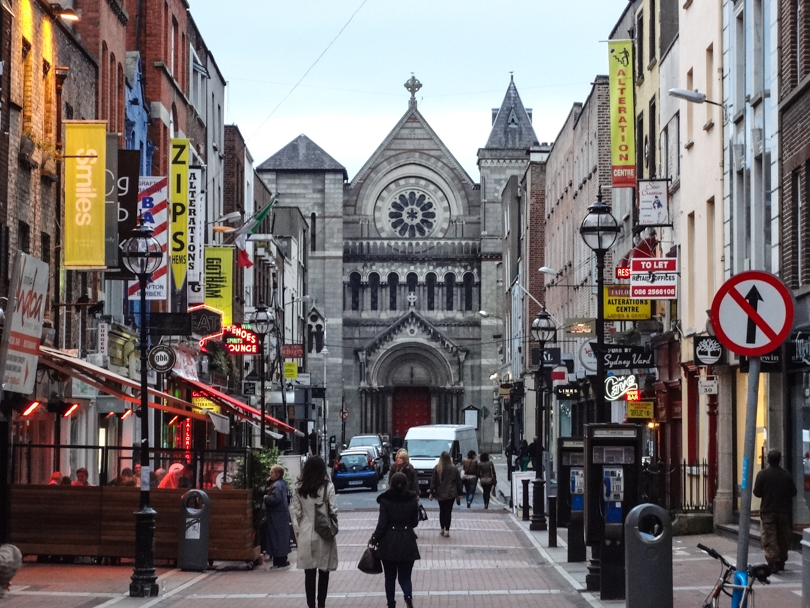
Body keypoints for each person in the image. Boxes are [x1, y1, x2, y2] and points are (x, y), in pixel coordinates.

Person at [291, 456, 338, 608]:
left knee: (309, 573)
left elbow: (297, 512)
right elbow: (333, 510)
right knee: (324, 572)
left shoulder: (299, 487)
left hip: (306, 530)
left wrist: (300, 529)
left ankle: (311, 605)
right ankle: (321, 605)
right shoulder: (327, 487)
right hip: (324, 532)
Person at [372, 472, 419, 608]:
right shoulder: (412, 499)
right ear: (406, 484)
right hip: (407, 540)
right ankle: (408, 595)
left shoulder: (385, 500)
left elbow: (382, 524)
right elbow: (414, 522)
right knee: (405, 576)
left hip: (389, 542)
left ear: (390, 483)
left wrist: (375, 538)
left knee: (390, 577)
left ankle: (391, 604)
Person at [753, 449, 797, 573]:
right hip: (784, 511)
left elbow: (757, 492)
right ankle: (781, 560)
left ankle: (773, 560)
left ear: (767, 459)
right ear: (780, 460)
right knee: (783, 536)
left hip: (768, 510)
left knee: (770, 536)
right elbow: (793, 492)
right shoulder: (786, 474)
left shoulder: (762, 474)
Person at [264, 464, 292, 568]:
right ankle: (282, 560)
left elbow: (275, 499)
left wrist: (266, 497)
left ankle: (279, 561)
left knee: (276, 538)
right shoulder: (282, 484)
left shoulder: (277, 485)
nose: (270, 474)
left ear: (278, 474)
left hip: (276, 515)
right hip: (281, 514)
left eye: (272, 472)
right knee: (282, 537)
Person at [428, 451, 462, 537]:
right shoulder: (454, 468)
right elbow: (458, 481)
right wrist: (459, 493)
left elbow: (433, 481)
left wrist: (431, 492)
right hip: (451, 493)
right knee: (448, 511)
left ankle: (442, 529)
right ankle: (447, 530)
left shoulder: (437, 468)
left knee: (442, 511)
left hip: (440, 493)